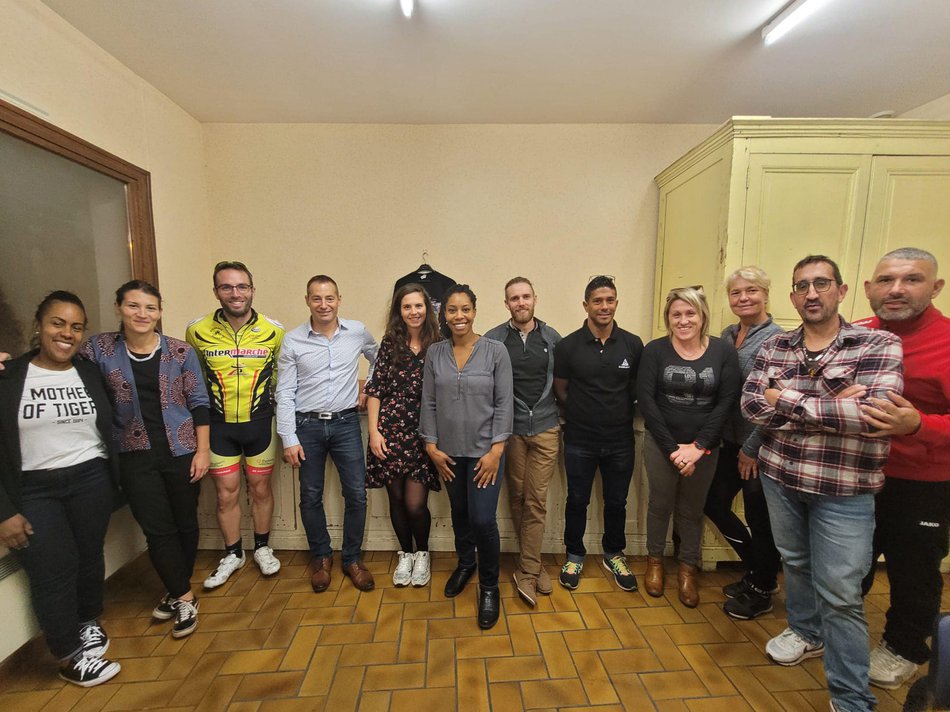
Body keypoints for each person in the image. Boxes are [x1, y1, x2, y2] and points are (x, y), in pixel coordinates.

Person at [741, 255, 903, 712]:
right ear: (793, 296)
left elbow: (871, 415)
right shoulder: (775, 346)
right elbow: (752, 406)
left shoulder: (877, 344)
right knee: (794, 562)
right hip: (781, 477)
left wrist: (785, 398)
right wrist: (832, 403)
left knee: (841, 593)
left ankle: (851, 699)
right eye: (802, 286)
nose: (811, 293)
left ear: (841, 290)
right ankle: (806, 632)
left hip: (844, 489)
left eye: (821, 283)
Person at [0, 292, 122, 687]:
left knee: (89, 557)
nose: (66, 333)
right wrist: (3, 510)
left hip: (90, 479)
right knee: (51, 570)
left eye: (76, 327)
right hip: (34, 489)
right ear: (39, 325)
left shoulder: (89, 373)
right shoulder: (8, 376)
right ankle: (70, 657)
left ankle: (88, 621)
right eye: (58, 323)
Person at [81, 280, 210, 640]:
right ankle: (185, 597)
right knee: (156, 528)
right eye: (134, 306)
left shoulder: (180, 352)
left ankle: (175, 587)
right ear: (119, 308)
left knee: (186, 523)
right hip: (133, 454)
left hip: (182, 449)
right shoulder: (99, 350)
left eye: (150, 307)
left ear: (159, 312)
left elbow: (199, 402)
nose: (142, 314)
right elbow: (58, 363)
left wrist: (202, 451)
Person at [855, 247, 949, 691]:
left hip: (920, 484)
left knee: (914, 570)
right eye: (886, 280)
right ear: (869, 288)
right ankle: (840, 629)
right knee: (850, 562)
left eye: (911, 279)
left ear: (935, 287)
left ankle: (905, 648)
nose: (896, 289)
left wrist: (918, 424)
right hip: (857, 475)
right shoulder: (857, 333)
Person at [638, 287, 740, 608]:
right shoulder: (655, 351)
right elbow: (647, 402)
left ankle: (687, 569)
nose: (683, 320)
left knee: (692, 510)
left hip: (705, 448)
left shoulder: (723, 352)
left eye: (690, 313)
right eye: (676, 315)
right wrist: (673, 450)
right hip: (661, 444)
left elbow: (726, 403)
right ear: (668, 319)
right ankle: (655, 562)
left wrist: (698, 447)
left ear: (702, 315)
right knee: (659, 505)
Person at [186, 261, 285, 589]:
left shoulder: (274, 330)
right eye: (226, 287)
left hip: (260, 423)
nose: (235, 293)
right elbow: (195, 382)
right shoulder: (197, 330)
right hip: (219, 426)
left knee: (260, 489)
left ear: (252, 290)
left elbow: (282, 380)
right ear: (216, 291)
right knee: (225, 494)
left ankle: (262, 547)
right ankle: (233, 553)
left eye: (242, 286)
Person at [275, 275, 378, 593]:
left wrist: (369, 387)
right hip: (306, 426)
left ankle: (352, 559)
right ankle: (321, 557)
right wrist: (288, 437)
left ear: (339, 299)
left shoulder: (357, 332)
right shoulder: (293, 340)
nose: (323, 305)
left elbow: (379, 358)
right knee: (310, 496)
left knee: (357, 494)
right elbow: (284, 391)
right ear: (307, 300)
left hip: (346, 423)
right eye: (317, 298)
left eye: (329, 298)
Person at [419, 285, 513, 629]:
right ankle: (465, 563)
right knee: (460, 513)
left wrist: (497, 450)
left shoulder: (495, 351)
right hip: (448, 453)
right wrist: (431, 447)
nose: (459, 316)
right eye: (452, 310)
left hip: (486, 453)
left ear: (474, 311)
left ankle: (489, 586)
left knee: (483, 519)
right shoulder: (435, 353)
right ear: (443, 314)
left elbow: (504, 402)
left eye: (465, 309)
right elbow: (429, 401)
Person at [553, 276, 643, 592]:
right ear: (586, 305)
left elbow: (636, 390)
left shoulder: (633, 344)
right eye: (597, 301)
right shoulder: (567, 346)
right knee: (577, 499)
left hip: (620, 440)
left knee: (617, 501)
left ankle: (614, 553)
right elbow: (560, 389)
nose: (604, 306)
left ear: (616, 303)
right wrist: (584, 413)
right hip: (580, 439)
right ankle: (574, 554)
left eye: (610, 300)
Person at [703, 267, 783, 619]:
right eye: (736, 293)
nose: (743, 298)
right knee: (713, 503)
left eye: (751, 290)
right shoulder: (727, 335)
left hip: (760, 446)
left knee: (758, 516)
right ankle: (758, 568)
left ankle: (762, 588)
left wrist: (751, 448)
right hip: (729, 441)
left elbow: (776, 404)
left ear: (765, 294)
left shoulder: (779, 340)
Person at [484, 277, 561, 607]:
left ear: (535, 299)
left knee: (536, 499)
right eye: (514, 298)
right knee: (517, 496)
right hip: (510, 431)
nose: (521, 302)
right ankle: (533, 562)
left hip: (546, 428)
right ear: (506, 304)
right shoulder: (494, 339)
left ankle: (527, 570)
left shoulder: (552, 337)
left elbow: (563, 381)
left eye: (525, 296)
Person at [364, 283, 442, 587]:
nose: (413, 312)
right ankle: (405, 554)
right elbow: (375, 390)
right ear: (399, 310)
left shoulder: (439, 343)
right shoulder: (390, 343)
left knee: (415, 504)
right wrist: (374, 432)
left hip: (424, 433)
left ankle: (423, 553)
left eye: (418, 305)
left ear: (428, 308)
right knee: (395, 498)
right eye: (407, 306)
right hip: (389, 432)